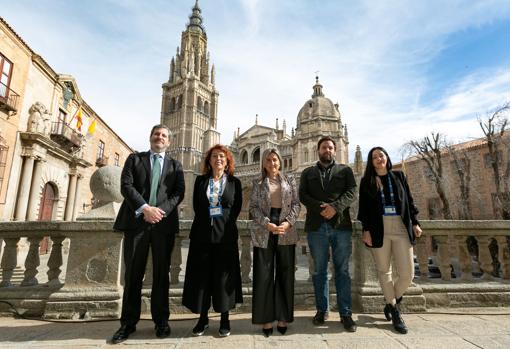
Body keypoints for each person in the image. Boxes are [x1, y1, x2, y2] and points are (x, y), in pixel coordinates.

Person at [111, 124, 185, 344]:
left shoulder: (176, 165)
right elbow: (126, 186)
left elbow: (178, 193)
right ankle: (127, 324)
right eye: (156, 134)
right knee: (132, 275)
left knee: (162, 275)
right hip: (137, 223)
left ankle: (161, 321)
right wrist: (145, 209)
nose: (159, 138)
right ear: (150, 137)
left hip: (163, 225)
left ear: (169, 142)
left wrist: (159, 212)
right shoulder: (135, 159)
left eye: (164, 135)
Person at [357, 146, 422, 334]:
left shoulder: (399, 177)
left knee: (407, 274)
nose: (378, 159)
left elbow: (409, 201)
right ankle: (394, 310)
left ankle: (390, 300)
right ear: (371, 162)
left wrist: (415, 222)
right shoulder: (367, 182)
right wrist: (366, 230)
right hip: (379, 227)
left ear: (386, 157)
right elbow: (364, 209)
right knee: (384, 271)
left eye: (381, 155)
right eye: (374, 157)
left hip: (401, 226)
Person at [182, 144, 243, 337]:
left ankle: (225, 319)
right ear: (209, 160)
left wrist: (222, 222)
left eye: (222, 157)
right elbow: (197, 206)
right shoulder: (200, 181)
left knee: (223, 279)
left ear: (227, 162)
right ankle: (202, 319)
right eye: (215, 156)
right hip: (201, 236)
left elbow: (236, 209)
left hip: (225, 236)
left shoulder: (234, 182)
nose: (218, 159)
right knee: (202, 277)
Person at [299, 136, 357, 332]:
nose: (328, 150)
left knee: (342, 271)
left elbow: (351, 192)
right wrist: (320, 208)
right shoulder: (308, 172)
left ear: (335, 150)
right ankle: (322, 310)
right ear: (318, 150)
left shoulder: (345, 170)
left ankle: (345, 313)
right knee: (320, 271)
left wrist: (335, 208)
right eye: (324, 147)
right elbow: (303, 195)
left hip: (341, 226)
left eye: (331, 147)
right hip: (316, 227)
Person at [249, 149, 301, 337]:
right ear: (264, 163)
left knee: (285, 274)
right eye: (268, 160)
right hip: (265, 227)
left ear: (280, 161)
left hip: (285, 226)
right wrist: (266, 223)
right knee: (263, 275)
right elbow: (253, 207)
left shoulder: (290, 180)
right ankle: (265, 320)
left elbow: (296, 204)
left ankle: (282, 317)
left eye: (275, 159)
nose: (272, 163)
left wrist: (288, 223)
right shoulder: (257, 182)